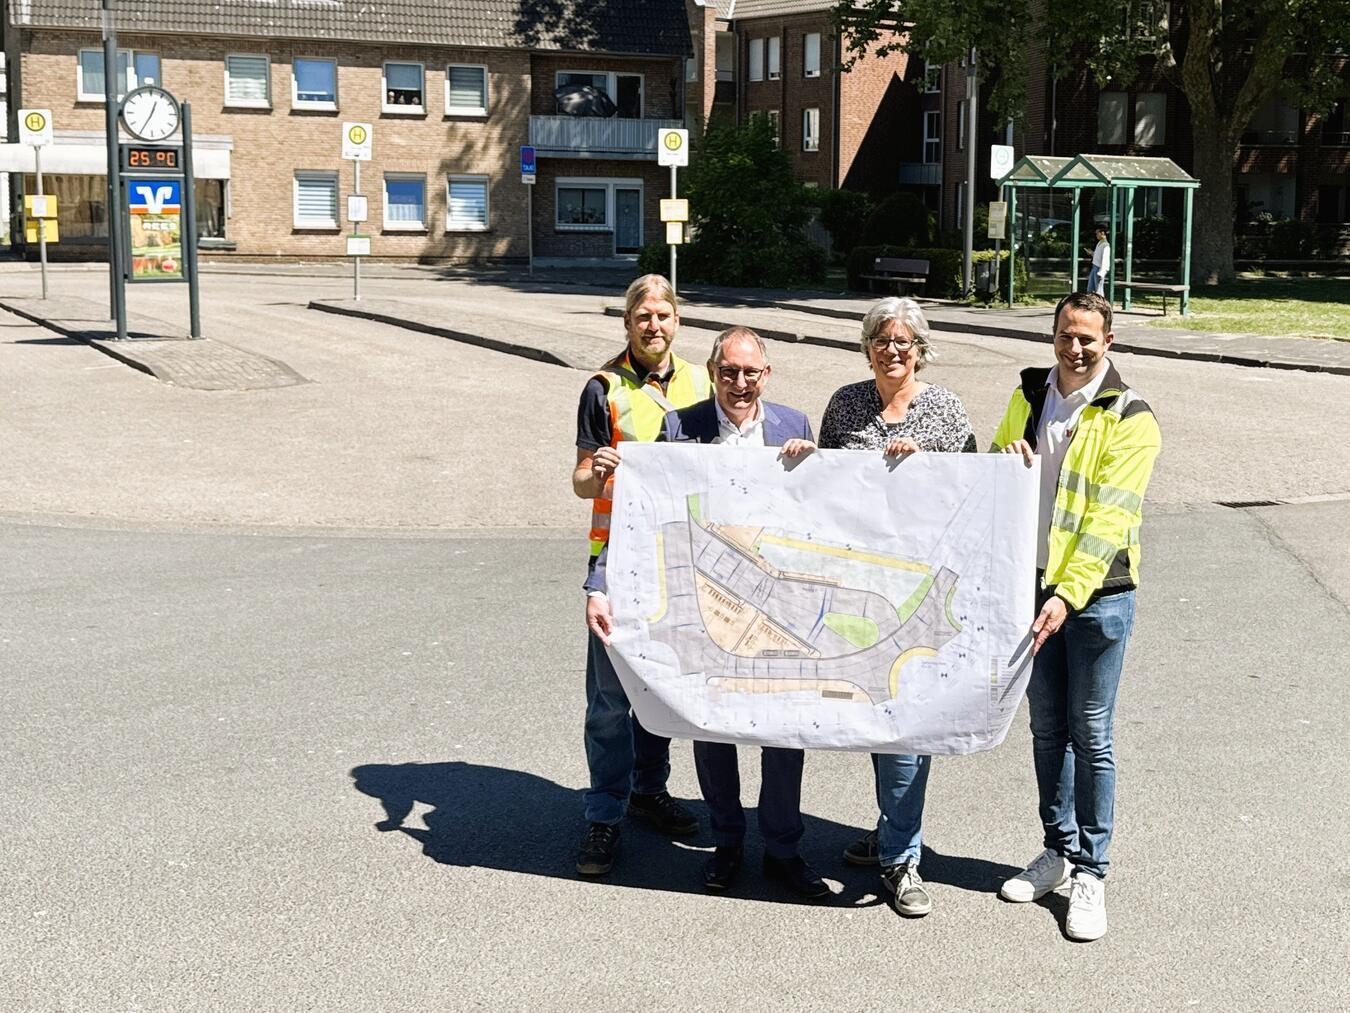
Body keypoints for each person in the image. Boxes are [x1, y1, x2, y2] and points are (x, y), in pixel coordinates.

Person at [590, 326, 824, 897]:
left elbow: (823, 517)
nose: (739, 384)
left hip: (775, 600)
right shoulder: (681, 426)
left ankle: (783, 849)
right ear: (713, 372)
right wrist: (600, 581)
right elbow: (645, 516)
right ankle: (727, 844)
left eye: (751, 373)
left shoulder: (795, 425)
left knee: (783, 730)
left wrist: (816, 468)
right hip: (708, 602)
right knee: (711, 726)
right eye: (728, 373)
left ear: (766, 375)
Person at [993, 291, 1161, 942]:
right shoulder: (1029, 397)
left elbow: (1108, 522)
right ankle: (1056, 851)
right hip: (1030, 587)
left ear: (1109, 341)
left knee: (1091, 734)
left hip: (1097, 596)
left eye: (1089, 337)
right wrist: (1005, 460)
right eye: (1067, 334)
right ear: (1054, 335)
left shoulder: (1131, 416)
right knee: (1045, 730)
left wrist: (1067, 594)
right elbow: (999, 477)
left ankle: (1092, 870)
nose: (1076, 346)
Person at [818, 297, 975, 919]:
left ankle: (902, 859)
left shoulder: (946, 409)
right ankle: (891, 830)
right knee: (873, 710)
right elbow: (820, 489)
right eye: (881, 339)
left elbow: (972, 493)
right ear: (866, 347)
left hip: (919, 586)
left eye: (904, 340)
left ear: (922, 349)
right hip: (858, 581)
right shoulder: (846, 404)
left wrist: (928, 465)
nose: (893, 349)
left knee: (907, 717)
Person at [571, 274, 710, 877]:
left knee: (660, 685)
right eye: (642, 316)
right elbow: (579, 482)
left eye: (664, 314)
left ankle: (649, 790)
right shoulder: (602, 388)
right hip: (619, 559)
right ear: (627, 324)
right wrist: (596, 470)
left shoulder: (705, 381)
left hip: (685, 558)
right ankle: (604, 813)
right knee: (608, 700)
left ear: (677, 321)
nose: (654, 325)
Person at [1087, 226, 1110, 296]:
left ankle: (1101, 305)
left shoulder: (1106, 245)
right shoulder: (1100, 243)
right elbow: (1098, 256)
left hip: (1099, 269)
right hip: (1094, 267)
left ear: (1102, 233)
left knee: (1098, 290)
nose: (1096, 235)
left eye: (1097, 233)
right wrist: (1092, 253)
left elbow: (1105, 260)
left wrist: (1102, 272)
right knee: (1090, 289)